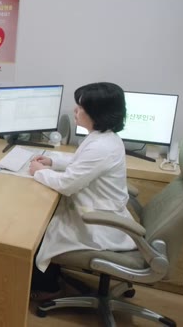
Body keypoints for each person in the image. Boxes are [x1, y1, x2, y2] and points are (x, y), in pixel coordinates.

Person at [28, 82, 137, 300]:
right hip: (98, 211)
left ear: (97, 113)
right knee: (44, 218)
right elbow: (82, 164)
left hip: (98, 223)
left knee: (35, 230)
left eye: (81, 108)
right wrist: (53, 161)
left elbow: (67, 185)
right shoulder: (104, 137)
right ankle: (50, 277)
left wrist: (39, 171)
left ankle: (48, 287)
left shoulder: (101, 146)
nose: (75, 110)